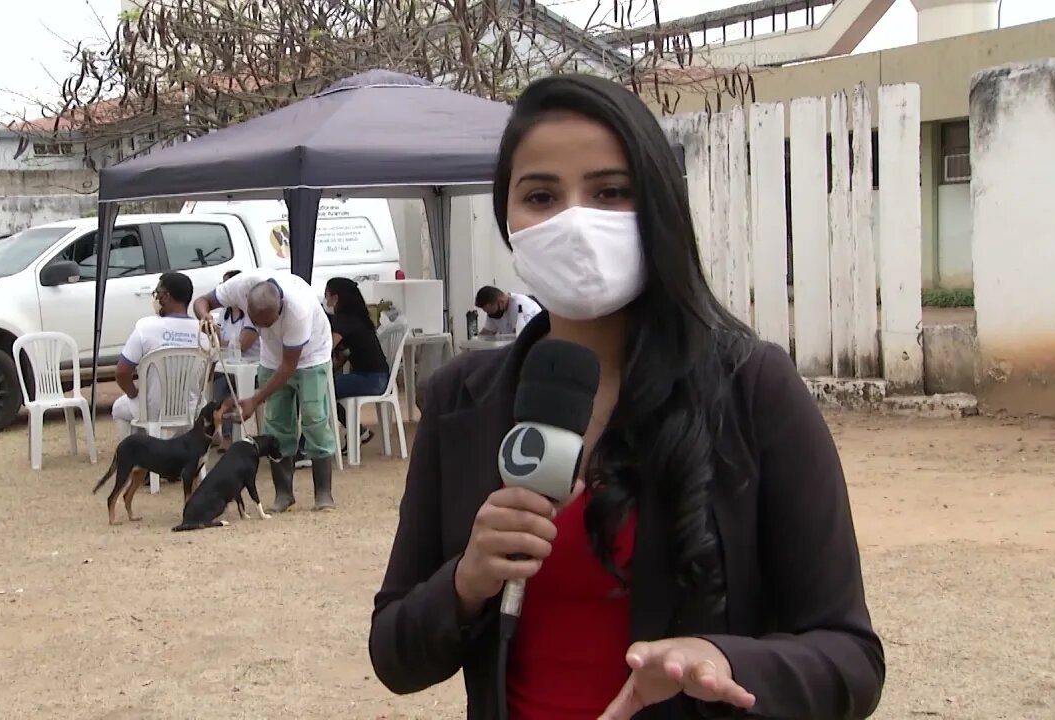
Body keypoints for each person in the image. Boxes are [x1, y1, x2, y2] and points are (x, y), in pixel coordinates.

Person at [368, 74, 884, 720]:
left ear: (658, 205)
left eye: (610, 192)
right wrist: (467, 579)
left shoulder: (754, 389)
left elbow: (852, 657)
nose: (575, 219)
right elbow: (393, 652)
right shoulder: (458, 401)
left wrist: (723, 659)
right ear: (509, 218)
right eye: (541, 195)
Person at [193, 268, 338, 511]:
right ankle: (283, 493)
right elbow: (201, 302)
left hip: (311, 355)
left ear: (279, 308)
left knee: (314, 417)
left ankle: (323, 493)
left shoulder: (298, 310)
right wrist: (205, 317)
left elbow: (289, 366)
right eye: (255, 323)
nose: (262, 329)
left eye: (267, 324)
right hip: (271, 359)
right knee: (276, 423)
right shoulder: (240, 286)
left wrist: (255, 399)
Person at [112, 271, 206, 443]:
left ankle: (135, 461)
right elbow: (206, 376)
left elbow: (121, 373)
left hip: (153, 411)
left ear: (166, 297)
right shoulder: (203, 333)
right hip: (192, 411)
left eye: (157, 294)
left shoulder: (145, 327)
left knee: (119, 408)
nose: (155, 299)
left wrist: (134, 394)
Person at [325, 277, 387, 448]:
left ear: (335, 298)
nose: (326, 301)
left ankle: (308, 446)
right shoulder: (357, 318)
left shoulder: (345, 321)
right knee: (325, 387)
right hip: (377, 377)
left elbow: (326, 347)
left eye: (327, 295)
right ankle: (358, 432)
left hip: (370, 379)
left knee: (321, 390)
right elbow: (346, 354)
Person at [209, 269, 261, 442]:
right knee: (210, 380)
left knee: (223, 386)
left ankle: (228, 433)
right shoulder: (224, 314)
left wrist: (217, 337)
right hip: (230, 367)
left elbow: (242, 345)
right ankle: (217, 430)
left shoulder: (251, 314)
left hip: (253, 369)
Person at [475, 285, 541, 336]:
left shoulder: (519, 305)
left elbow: (520, 335)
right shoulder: (494, 312)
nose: (491, 315)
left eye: (491, 311)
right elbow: (487, 332)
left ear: (501, 302)